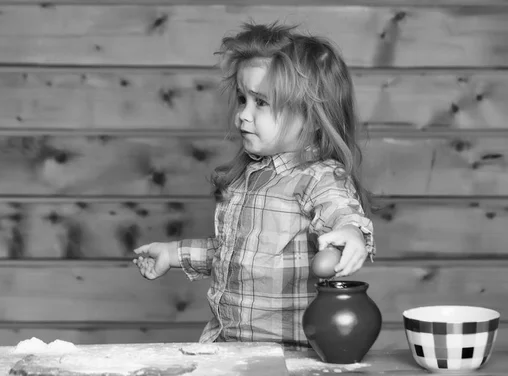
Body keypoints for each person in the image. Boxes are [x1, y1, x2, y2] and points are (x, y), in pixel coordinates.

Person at [133, 21, 376, 349]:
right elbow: (233, 253)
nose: (242, 115)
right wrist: (172, 253)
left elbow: (341, 209)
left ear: (312, 117)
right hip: (225, 345)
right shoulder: (248, 178)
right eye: (242, 99)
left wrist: (350, 233)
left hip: (286, 355)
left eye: (261, 103)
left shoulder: (318, 177)